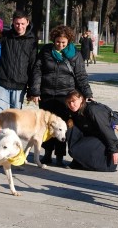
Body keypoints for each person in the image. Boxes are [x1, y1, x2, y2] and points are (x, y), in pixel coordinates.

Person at [28, 25, 93, 167]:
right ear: (53, 40)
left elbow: (81, 76)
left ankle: (59, 156)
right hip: (47, 95)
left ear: (68, 41)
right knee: (46, 126)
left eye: (64, 42)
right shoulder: (46, 51)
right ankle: (46, 154)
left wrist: (87, 93)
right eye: (58, 42)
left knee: (62, 127)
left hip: (66, 97)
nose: (60, 45)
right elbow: (37, 71)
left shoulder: (75, 55)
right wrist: (35, 91)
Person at [65, 90, 118, 171]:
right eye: (69, 102)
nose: (71, 105)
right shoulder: (73, 111)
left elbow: (106, 130)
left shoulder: (93, 110)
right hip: (90, 135)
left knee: (75, 149)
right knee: (70, 127)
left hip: (102, 139)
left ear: (81, 99)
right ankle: (77, 160)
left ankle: (84, 161)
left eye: (73, 101)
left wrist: (115, 150)